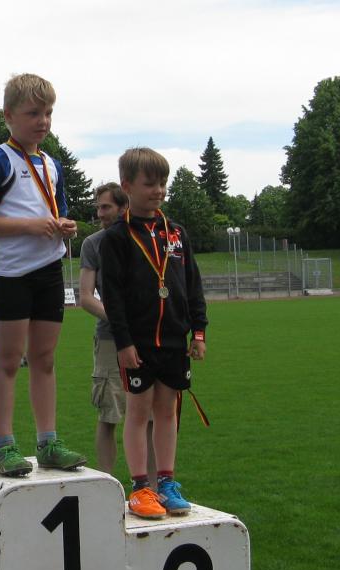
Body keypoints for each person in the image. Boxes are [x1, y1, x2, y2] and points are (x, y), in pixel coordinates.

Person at [0, 72, 86, 477]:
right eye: (33, 113)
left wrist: (64, 226)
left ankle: (48, 442)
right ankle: (3, 446)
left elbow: (55, 214)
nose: (43, 121)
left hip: (49, 270)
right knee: (7, 359)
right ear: (9, 115)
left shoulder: (51, 164)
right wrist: (32, 226)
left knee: (44, 358)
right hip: (13, 273)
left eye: (48, 113)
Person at [101, 148, 207, 519]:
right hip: (139, 342)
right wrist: (124, 342)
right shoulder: (117, 237)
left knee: (167, 411)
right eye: (150, 184)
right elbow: (112, 296)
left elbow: (192, 284)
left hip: (175, 340)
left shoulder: (176, 233)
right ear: (127, 186)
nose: (158, 190)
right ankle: (140, 487)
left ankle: (167, 482)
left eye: (162, 183)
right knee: (138, 411)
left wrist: (199, 332)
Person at [79, 183, 157, 480]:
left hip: (148, 338)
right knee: (109, 414)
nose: (100, 214)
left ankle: (154, 488)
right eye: (98, 207)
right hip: (110, 339)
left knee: (150, 416)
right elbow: (86, 297)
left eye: (106, 207)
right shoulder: (93, 244)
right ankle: (106, 485)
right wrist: (120, 321)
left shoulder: (145, 237)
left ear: (124, 207)